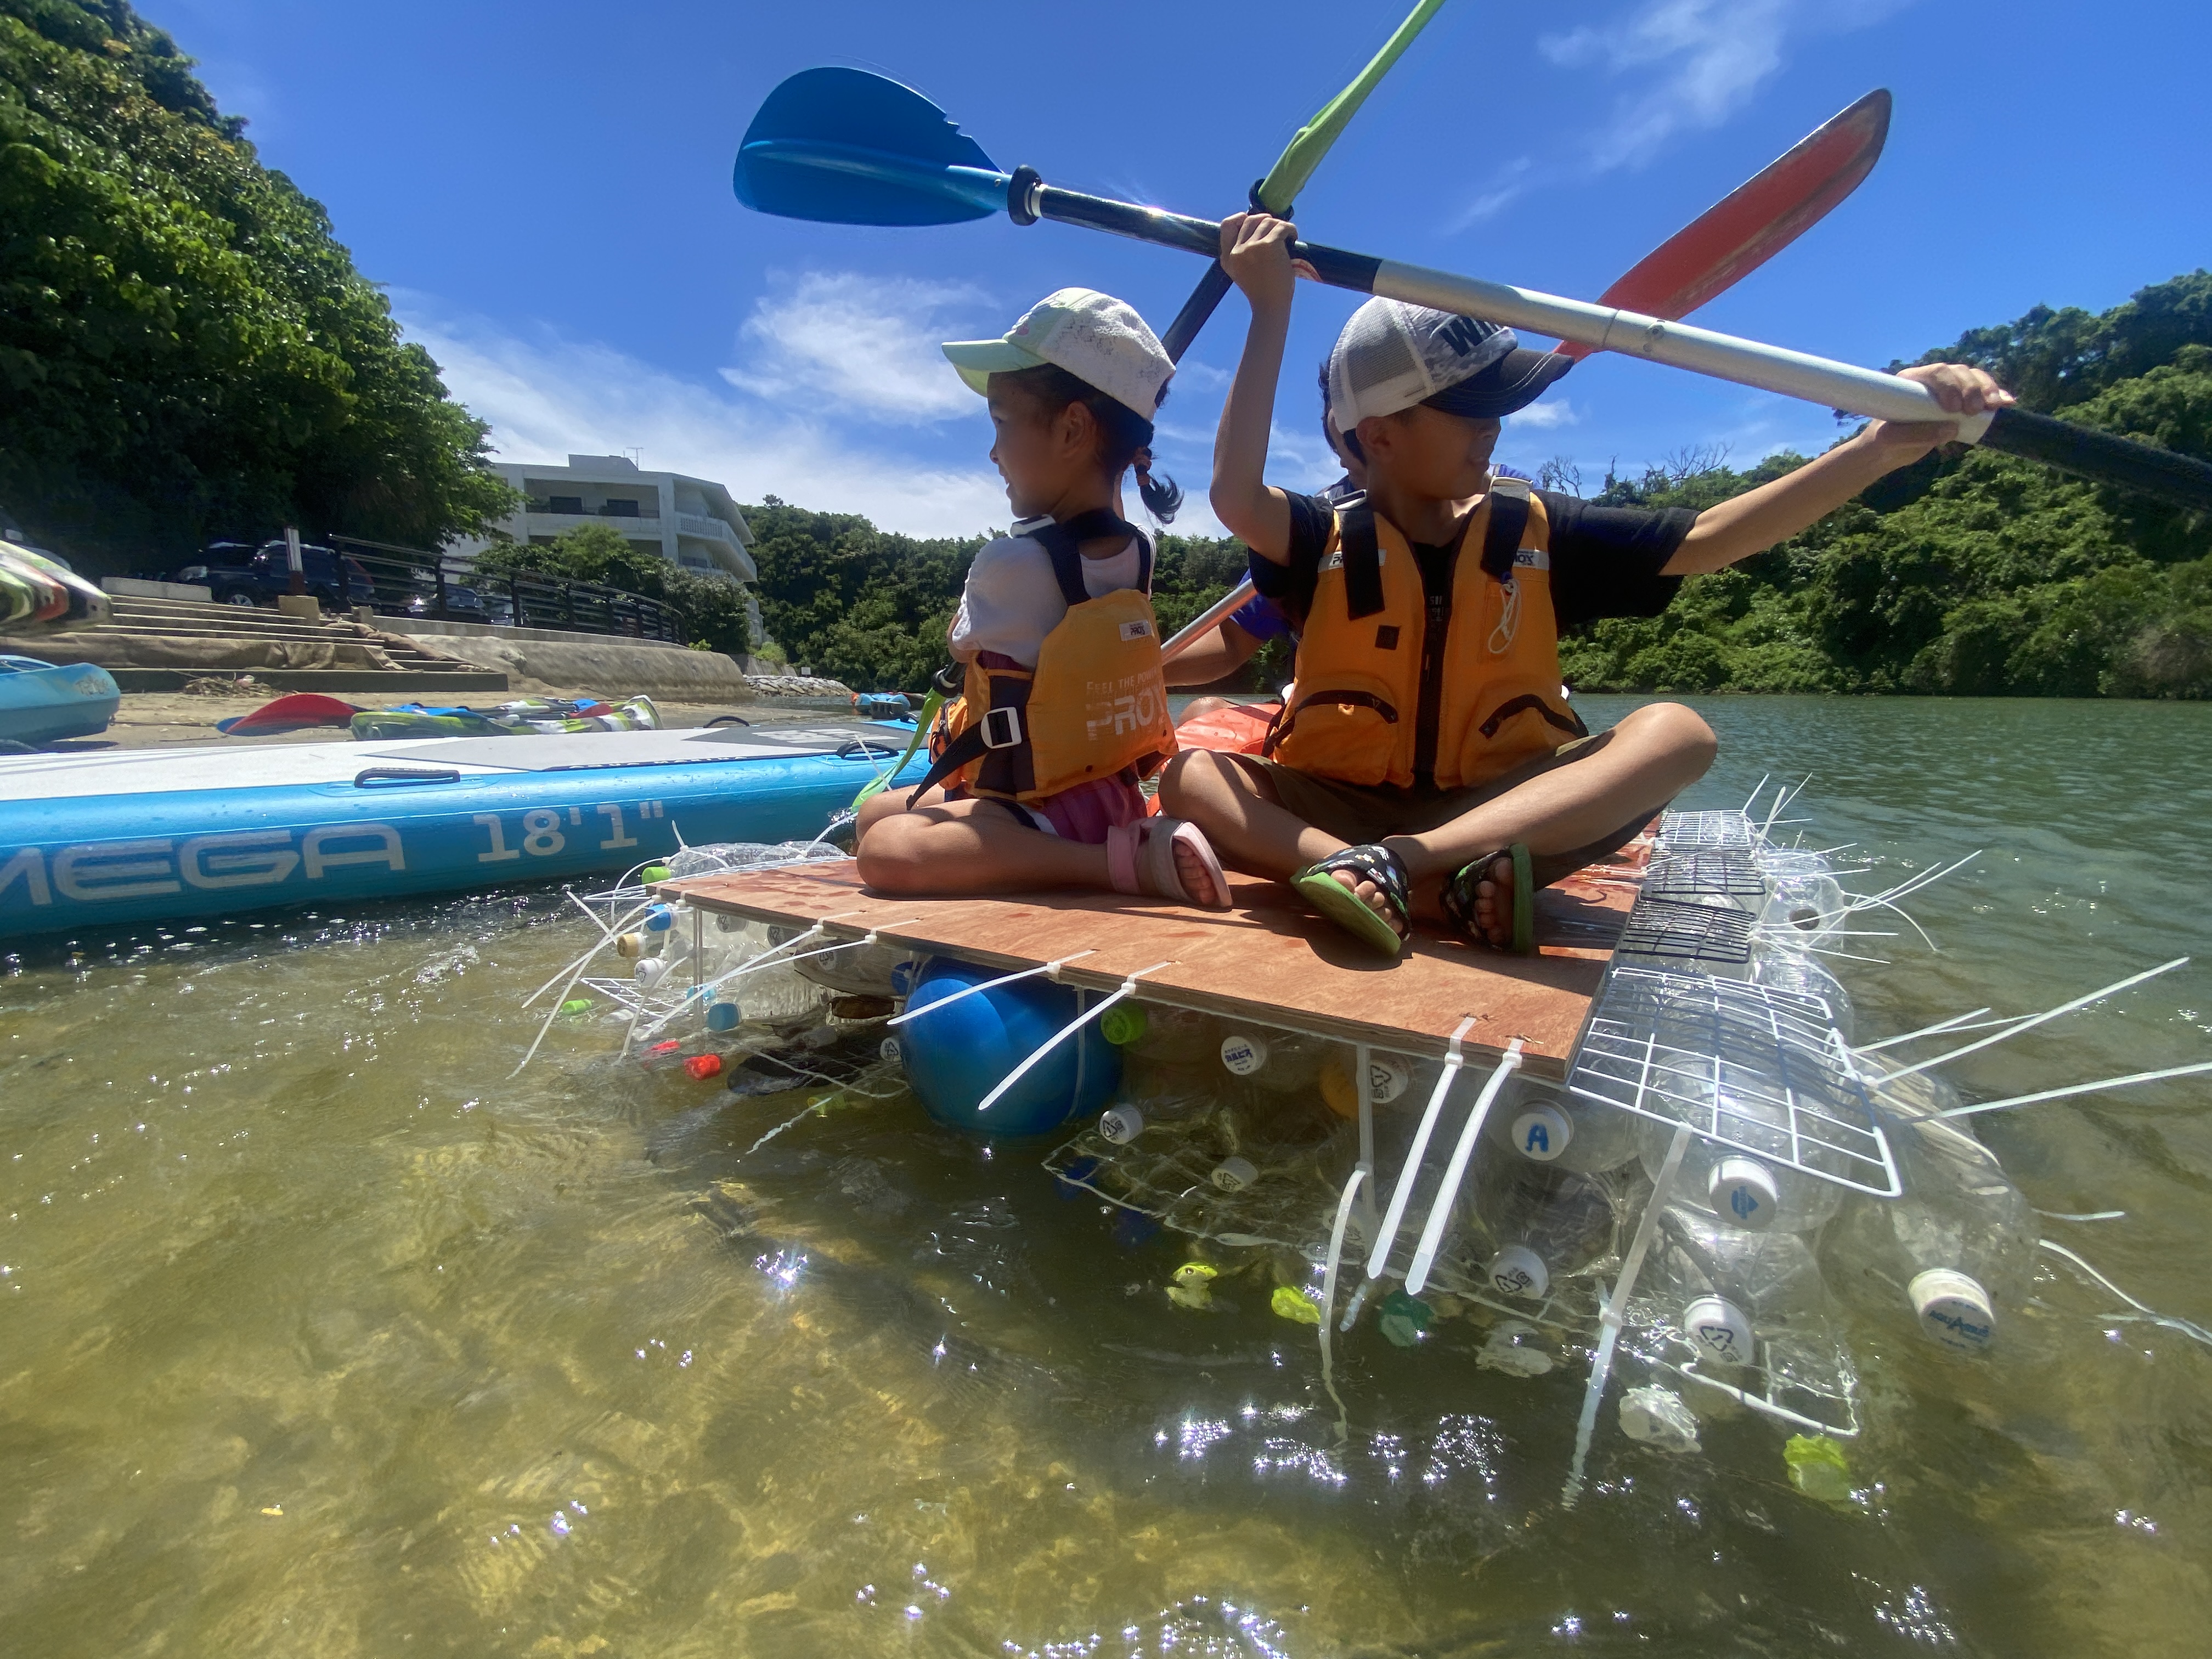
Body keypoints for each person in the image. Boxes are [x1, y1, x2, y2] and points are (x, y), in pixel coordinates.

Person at [1160, 211, 2014, 957]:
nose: (1495, 429)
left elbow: (1715, 537)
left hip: (1498, 814)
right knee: (1191, 776)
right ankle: (1415, 884)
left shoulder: (1540, 528)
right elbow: (1235, 493)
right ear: (1379, 437)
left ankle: (1407, 872)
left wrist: (1876, 447)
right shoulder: (1315, 538)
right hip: (1334, 812)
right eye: (1472, 411)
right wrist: (1269, 306)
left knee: (1679, 733)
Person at [855, 287, 1232, 908]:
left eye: (1002, 422)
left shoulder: (1011, 564)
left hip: (1041, 811)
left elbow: (962, 643)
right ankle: (1124, 840)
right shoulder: (1140, 551)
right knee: (877, 813)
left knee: (884, 849)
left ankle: (1115, 866)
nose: (993, 451)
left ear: (1074, 430)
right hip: (1106, 792)